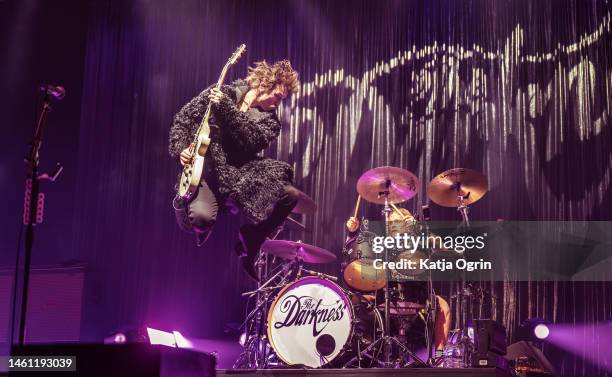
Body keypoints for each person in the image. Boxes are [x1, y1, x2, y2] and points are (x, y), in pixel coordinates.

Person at [169, 60, 300, 281]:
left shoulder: (270, 121)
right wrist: (181, 149)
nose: (279, 103)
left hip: (240, 172)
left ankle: (251, 238)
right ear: (264, 84)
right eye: (278, 96)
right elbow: (183, 120)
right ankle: (188, 203)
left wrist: (227, 110)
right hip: (206, 170)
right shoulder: (221, 93)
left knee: (290, 195)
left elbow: (249, 140)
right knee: (200, 221)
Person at [344, 207, 451, 359]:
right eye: (390, 223)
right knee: (352, 302)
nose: (392, 226)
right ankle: (361, 356)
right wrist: (352, 234)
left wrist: (420, 229)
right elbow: (358, 255)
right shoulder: (381, 244)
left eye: (396, 222)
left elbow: (445, 248)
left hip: (417, 299)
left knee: (444, 307)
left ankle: (440, 357)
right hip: (384, 298)